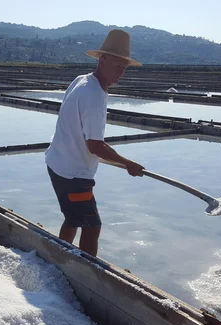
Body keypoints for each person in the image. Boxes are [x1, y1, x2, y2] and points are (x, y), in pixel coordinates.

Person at [45, 29, 145, 257]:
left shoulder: (83, 80)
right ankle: (89, 272)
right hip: (73, 175)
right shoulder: (94, 96)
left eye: (124, 68)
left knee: (73, 217)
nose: (121, 72)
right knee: (92, 225)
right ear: (103, 59)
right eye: (117, 66)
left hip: (57, 162)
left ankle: (59, 258)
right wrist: (127, 163)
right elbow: (95, 146)